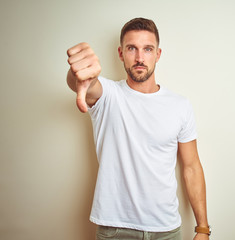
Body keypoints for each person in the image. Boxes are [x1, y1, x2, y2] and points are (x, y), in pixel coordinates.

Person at [66, 18, 210, 240]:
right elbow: (86, 85)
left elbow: (191, 167)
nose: (140, 58)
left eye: (148, 49)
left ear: (158, 54)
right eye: (132, 48)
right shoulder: (109, 95)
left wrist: (202, 228)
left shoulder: (180, 105)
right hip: (115, 229)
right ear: (121, 53)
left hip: (166, 229)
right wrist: (80, 73)